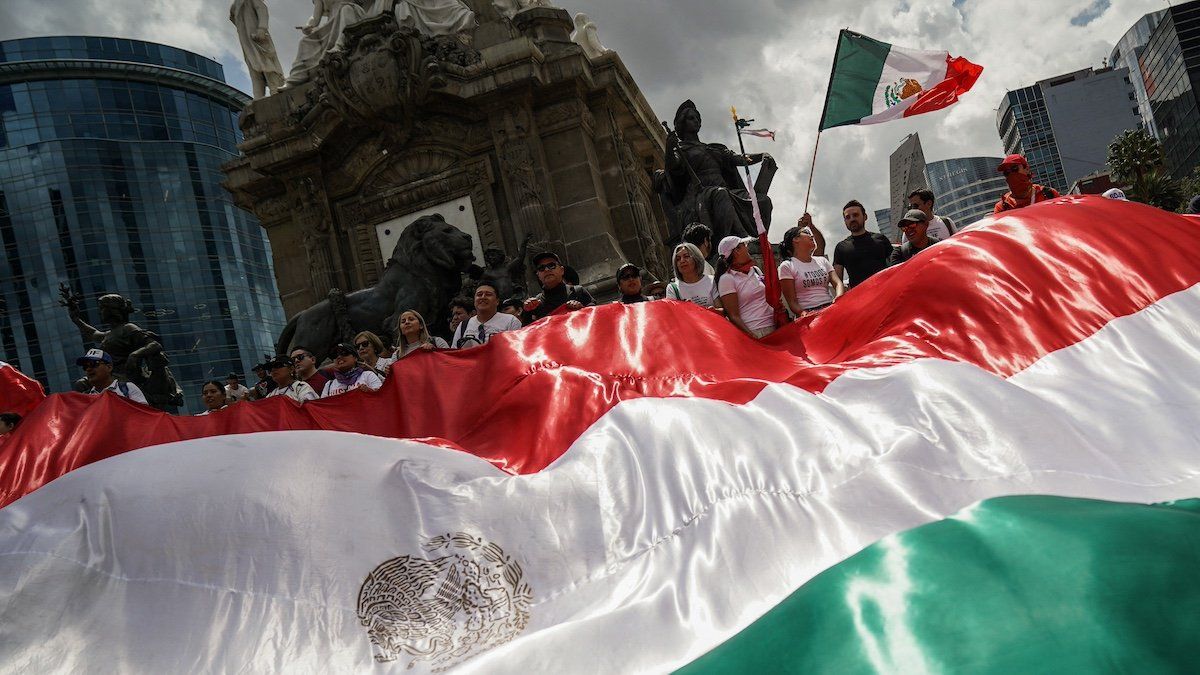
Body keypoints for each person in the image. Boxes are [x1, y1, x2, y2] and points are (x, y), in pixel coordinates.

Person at [715, 236, 776, 339]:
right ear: (736, 251)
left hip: (773, 327)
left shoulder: (756, 270)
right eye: (744, 245)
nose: (747, 248)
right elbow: (733, 315)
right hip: (755, 332)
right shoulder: (727, 279)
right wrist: (751, 335)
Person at [778, 225, 843, 315]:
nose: (812, 236)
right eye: (807, 233)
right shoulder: (787, 266)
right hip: (809, 314)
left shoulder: (822, 261)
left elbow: (838, 283)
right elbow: (792, 302)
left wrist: (839, 298)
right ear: (795, 239)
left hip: (831, 308)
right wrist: (803, 313)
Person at [832, 200, 894, 289]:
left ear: (865, 216)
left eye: (855, 215)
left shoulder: (881, 239)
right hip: (860, 298)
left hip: (885, 291)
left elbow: (895, 265)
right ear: (845, 221)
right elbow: (837, 281)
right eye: (848, 217)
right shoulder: (841, 247)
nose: (852, 219)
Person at [522, 251, 596, 322]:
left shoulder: (578, 291)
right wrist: (527, 311)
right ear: (538, 275)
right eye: (541, 268)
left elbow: (596, 317)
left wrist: (582, 309)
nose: (547, 270)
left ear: (562, 270)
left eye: (551, 265)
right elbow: (527, 331)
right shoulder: (535, 304)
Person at [455, 282, 522, 348]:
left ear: (497, 301)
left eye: (488, 294)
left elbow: (517, 351)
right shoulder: (463, 325)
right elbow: (454, 353)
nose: (483, 297)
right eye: (479, 294)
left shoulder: (511, 321)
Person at [76, 348, 148, 404]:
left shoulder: (127, 389)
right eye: (85, 366)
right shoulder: (85, 398)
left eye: (93, 364)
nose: (88, 369)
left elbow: (144, 415)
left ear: (109, 367)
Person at [994, 154, 1060, 214]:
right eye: (1006, 172)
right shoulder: (1002, 207)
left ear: (1027, 169)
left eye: (1014, 168)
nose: (1011, 174)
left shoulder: (1048, 194)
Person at [664, 243, 718, 309]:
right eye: (678, 259)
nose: (682, 261)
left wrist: (712, 311)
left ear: (696, 259)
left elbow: (721, 309)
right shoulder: (672, 289)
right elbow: (673, 315)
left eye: (686, 256)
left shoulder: (712, 281)